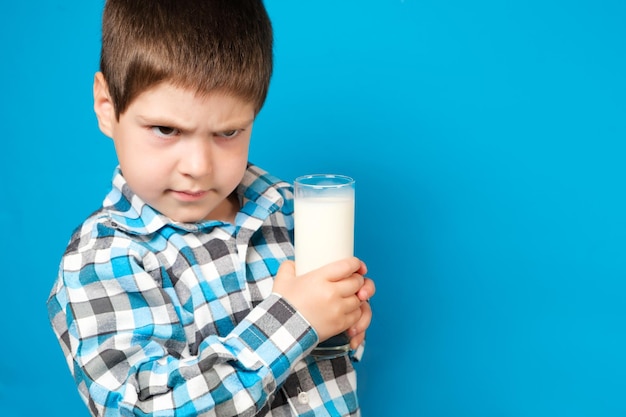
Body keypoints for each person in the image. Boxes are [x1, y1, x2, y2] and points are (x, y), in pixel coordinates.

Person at [46, 1, 375, 416]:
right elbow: (146, 408)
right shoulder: (102, 259)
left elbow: (321, 359)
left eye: (228, 132)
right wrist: (294, 320)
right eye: (166, 130)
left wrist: (340, 319)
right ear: (107, 107)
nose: (198, 167)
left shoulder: (288, 209)